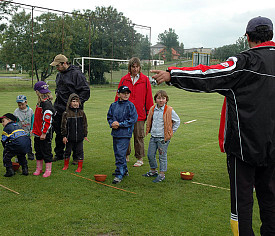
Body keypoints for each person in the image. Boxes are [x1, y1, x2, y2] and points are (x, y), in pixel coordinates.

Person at [152, 16, 275, 236]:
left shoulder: (245, 61)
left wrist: (173, 75)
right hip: (271, 149)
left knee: (242, 206)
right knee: (271, 204)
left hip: (243, 148)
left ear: (247, 37)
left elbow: (210, 74)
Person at [50, 54, 90, 163]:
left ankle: (77, 157)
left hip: (72, 110)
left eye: (58, 65)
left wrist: (77, 103)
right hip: (59, 107)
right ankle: (59, 154)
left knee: (74, 133)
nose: (57, 68)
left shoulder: (76, 74)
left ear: (64, 63)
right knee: (59, 131)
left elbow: (86, 90)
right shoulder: (59, 75)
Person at [115, 57, 153, 167]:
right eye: (133, 66)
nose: (135, 69)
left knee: (139, 136)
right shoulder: (124, 79)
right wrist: (117, 111)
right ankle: (125, 156)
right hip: (124, 114)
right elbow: (118, 96)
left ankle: (139, 158)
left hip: (139, 115)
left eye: (137, 67)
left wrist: (149, 113)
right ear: (130, 67)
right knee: (125, 135)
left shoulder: (145, 80)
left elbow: (149, 97)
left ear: (140, 67)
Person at [143, 90, 180, 183]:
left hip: (163, 139)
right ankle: (153, 171)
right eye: (159, 98)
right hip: (153, 136)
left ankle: (162, 174)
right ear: (155, 99)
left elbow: (177, 121)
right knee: (150, 155)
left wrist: (170, 132)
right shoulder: (152, 109)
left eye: (163, 98)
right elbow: (150, 121)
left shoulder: (169, 110)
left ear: (166, 99)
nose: (161, 100)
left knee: (162, 156)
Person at [107, 86, 138, 184]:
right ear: (118, 94)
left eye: (127, 93)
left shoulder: (130, 106)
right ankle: (124, 170)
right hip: (115, 133)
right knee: (117, 153)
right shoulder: (113, 105)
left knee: (120, 154)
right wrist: (112, 123)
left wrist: (120, 124)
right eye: (123, 93)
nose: (126, 95)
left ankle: (119, 174)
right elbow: (109, 117)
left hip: (125, 134)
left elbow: (133, 119)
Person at [61, 93, 89, 172]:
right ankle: (66, 165)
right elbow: (63, 126)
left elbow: (85, 124)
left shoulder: (82, 113)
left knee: (80, 151)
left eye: (77, 101)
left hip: (79, 137)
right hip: (69, 137)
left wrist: (85, 134)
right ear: (70, 102)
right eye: (73, 101)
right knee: (67, 151)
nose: (75, 103)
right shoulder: (66, 114)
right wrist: (64, 136)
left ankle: (79, 167)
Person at [32, 81, 55, 178]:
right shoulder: (39, 103)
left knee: (46, 151)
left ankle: (48, 169)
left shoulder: (47, 104)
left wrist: (44, 133)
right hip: (37, 132)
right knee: (38, 150)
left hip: (44, 133)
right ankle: (39, 168)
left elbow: (47, 120)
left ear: (37, 92)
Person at [0, 113, 31, 177]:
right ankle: (25, 169)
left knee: (6, 156)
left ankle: (9, 171)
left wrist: (6, 149)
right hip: (27, 144)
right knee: (21, 155)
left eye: (3, 121)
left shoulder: (7, 128)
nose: (2, 123)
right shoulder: (18, 126)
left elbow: (4, 140)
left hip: (17, 144)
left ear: (9, 120)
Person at [14, 95, 35, 160]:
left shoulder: (30, 110)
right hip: (20, 131)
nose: (21, 106)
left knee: (29, 143)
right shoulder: (16, 112)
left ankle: (30, 154)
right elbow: (15, 121)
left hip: (28, 130)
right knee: (20, 143)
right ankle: (19, 156)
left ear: (26, 102)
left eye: (22, 104)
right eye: (19, 105)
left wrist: (32, 129)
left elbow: (32, 120)